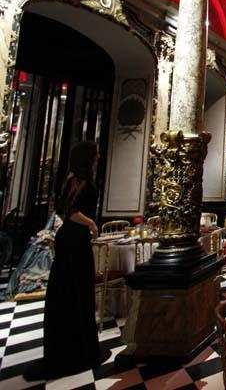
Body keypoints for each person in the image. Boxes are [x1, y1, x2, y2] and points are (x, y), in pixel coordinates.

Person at [41, 141, 106, 378]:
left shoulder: (76, 179)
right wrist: (90, 223)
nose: (99, 156)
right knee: (74, 289)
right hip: (73, 238)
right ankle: (74, 348)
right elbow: (68, 210)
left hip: (74, 238)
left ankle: (77, 345)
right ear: (88, 157)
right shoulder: (78, 181)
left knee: (77, 289)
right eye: (96, 153)